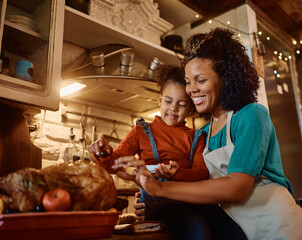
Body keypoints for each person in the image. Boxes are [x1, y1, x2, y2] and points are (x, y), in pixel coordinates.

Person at [112, 27, 302, 240]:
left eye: (200, 80)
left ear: (225, 78)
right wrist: (155, 202)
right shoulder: (201, 134)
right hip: (237, 229)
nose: (191, 89)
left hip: (277, 228)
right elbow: (197, 188)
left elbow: (237, 186)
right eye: (188, 81)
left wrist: (160, 190)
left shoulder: (251, 115)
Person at [89, 65, 246, 239]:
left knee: (234, 233)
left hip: (192, 200)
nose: (173, 108)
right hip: (159, 204)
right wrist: (104, 153)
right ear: (159, 100)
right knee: (198, 229)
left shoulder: (196, 137)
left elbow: (202, 174)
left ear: (190, 108)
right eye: (168, 101)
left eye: (182, 104)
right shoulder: (141, 131)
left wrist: (179, 173)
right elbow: (113, 164)